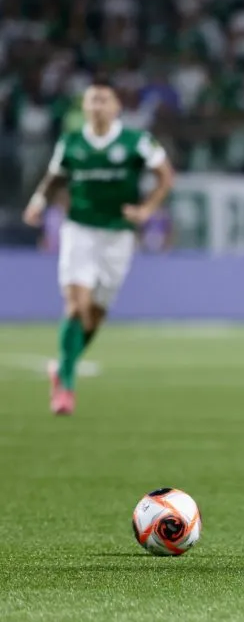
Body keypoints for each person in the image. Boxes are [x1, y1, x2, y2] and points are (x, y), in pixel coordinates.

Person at [22, 80, 175, 415]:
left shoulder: (137, 141)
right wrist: (38, 201)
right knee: (77, 306)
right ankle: (66, 389)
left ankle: (62, 366)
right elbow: (56, 176)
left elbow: (166, 175)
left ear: (116, 107)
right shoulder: (72, 142)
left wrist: (147, 209)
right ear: (84, 108)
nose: (97, 106)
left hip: (118, 236)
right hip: (79, 230)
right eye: (91, 101)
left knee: (94, 317)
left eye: (103, 100)